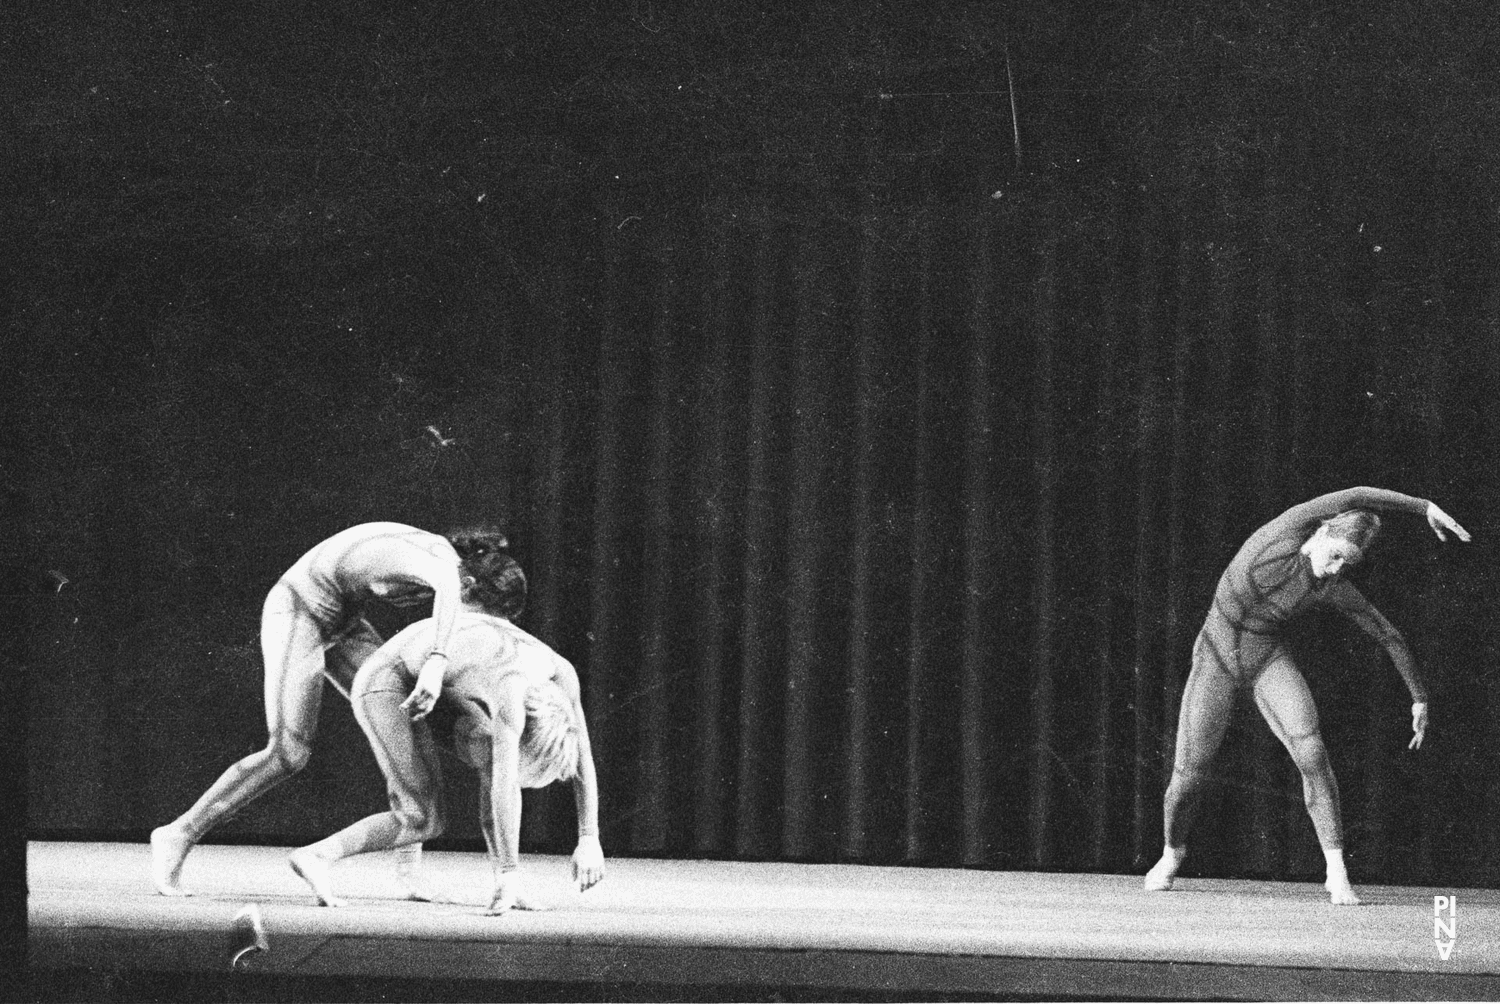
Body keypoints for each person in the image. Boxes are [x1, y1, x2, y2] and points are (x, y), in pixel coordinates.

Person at [1144, 487, 1470, 905]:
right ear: (1320, 532)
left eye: (1346, 564)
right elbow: (1358, 493)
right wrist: (1425, 507)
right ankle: (1173, 852)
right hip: (1216, 657)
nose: (1334, 570)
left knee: (1313, 753)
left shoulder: (1329, 587)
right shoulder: (1285, 532)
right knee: (1188, 774)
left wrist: (1419, 698)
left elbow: (1387, 634)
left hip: (1265, 659)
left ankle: (1336, 872)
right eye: (1334, 555)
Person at [150, 522, 510, 897]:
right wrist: (437, 661)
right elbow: (447, 592)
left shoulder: (447, 572)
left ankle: (408, 870)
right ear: (470, 586)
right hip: (298, 609)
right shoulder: (444, 566)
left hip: (346, 621)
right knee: (289, 753)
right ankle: (179, 833)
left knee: (397, 707)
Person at [287, 551, 604, 913]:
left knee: (486, 754)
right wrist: (509, 875)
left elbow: (584, 758)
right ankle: (316, 856)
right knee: (424, 817)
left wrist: (589, 837)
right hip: (386, 680)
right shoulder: (512, 691)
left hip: (431, 680)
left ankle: (409, 875)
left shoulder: (560, 671)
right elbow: (503, 782)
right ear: (524, 734)